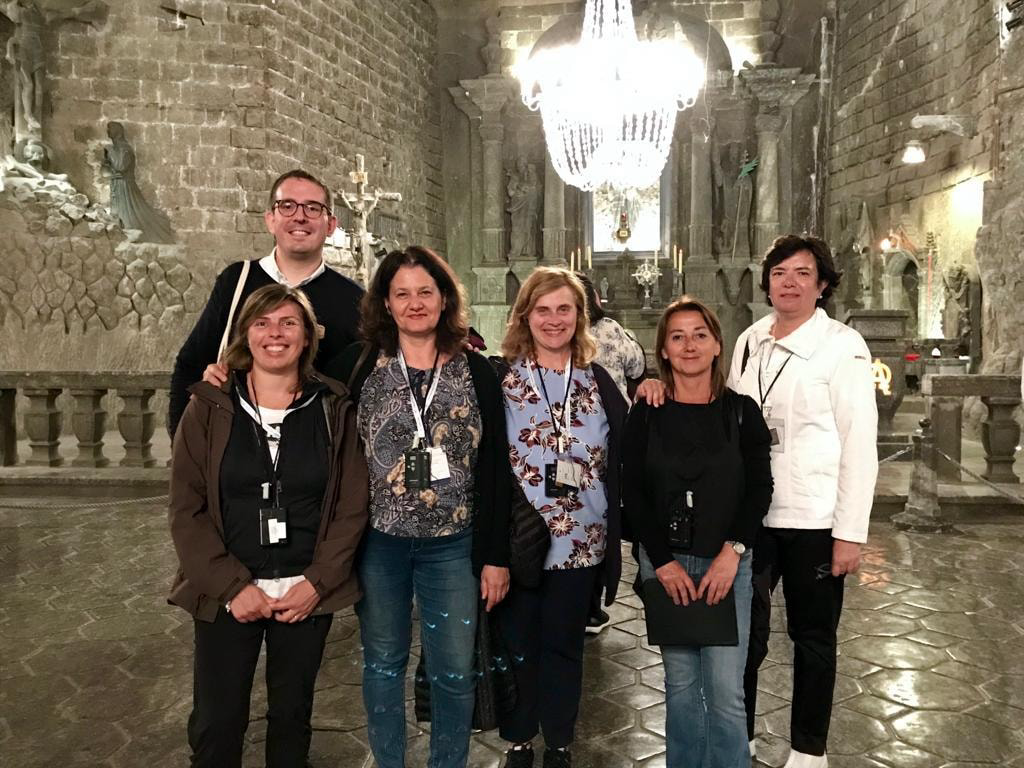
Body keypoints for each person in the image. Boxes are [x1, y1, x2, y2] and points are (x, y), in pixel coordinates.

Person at [324, 246, 511, 768]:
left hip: (453, 546)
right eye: (402, 293)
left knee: (453, 671)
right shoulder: (360, 365)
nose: (415, 303)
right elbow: (291, 384)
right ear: (385, 303)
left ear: (444, 298)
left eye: (425, 291)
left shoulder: (477, 372)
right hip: (378, 545)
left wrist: (495, 557)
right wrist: (228, 372)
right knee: (384, 664)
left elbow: (496, 468)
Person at [167, 284, 369, 768]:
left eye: (288, 323)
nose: (275, 333)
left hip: (303, 591)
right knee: (217, 722)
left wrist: (317, 583)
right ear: (246, 334)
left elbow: (351, 506)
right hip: (227, 591)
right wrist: (232, 587)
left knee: (292, 719)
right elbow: (186, 508)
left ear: (307, 337)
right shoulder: (209, 406)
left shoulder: (333, 408)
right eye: (262, 322)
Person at [730, 235, 878, 768]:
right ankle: (739, 736)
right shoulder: (749, 340)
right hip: (754, 516)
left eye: (802, 273)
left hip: (814, 518)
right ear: (767, 283)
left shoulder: (843, 346)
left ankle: (808, 750)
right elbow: (733, 423)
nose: (788, 283)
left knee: (812, 637)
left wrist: (850, 533)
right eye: (779, 273)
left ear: (822, 285)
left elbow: (859, 442)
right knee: (744, 635)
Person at [623, 296, 772, 768]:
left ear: (717, 345)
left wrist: (733, 552)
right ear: (664, 351)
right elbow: (633, 492)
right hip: (666, 565)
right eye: (678, 337)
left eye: (699, 335)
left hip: (727, 564)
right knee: (681, 688)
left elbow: (760, 489)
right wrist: (662, 562)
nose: (690, 345)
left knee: (726, 692)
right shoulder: (647, 412)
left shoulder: (743, 412)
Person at [496, 267, 627, 768]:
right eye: (543, 310)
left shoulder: (599, 381)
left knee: (565, 648)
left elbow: (630, 444)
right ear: (525, 316)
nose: (554, 320)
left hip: (582, 541)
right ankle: (519, 740)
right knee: (520, 646)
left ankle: (559, 743)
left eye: (564, 309)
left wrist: (654, 390)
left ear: (580, 316)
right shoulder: (503, 379)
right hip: (521, 541)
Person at [169, 168, 364, 437]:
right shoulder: (236, 282)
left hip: (319, 450)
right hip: (236, 445)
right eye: (287, 206)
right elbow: (190, 365)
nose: (299, 216)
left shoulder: (353, 299)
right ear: (270, 220)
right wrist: (184, 447)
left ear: (330, 225)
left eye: (312, 208)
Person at [576, 272, 646, 634]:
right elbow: (637, 366)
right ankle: (591, 603)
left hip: (576, 445)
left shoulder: (565, 335)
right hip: (609, 437)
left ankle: (581, 602)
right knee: (602, 517)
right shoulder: (612, 330)